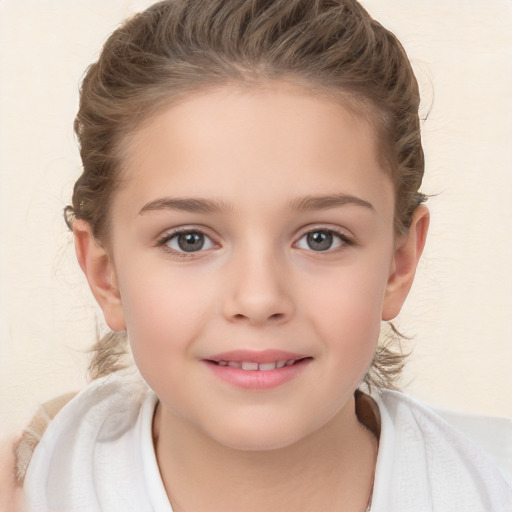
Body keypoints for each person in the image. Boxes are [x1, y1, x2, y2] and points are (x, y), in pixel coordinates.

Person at [7, 0, 512, 510]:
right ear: (106, 273)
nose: (258, 298)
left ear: (399, 265)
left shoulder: (488, 489)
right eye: (189, 239)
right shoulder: (35, 486)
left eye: (321, 238)